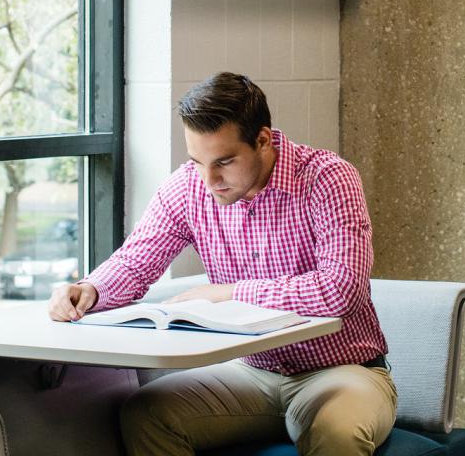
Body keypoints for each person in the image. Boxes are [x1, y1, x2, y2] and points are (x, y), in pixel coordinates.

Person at [47, 72, 396, 455]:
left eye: (224, 162)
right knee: (146, 413)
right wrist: (90, 289)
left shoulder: (327, 178)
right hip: (251, 373)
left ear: (262, 140)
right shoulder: (188, 187)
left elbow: (339, 291)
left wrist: (230, 294)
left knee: (337, 430)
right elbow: (135, 261)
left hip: (344, 371)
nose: (210, 180)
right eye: (197, 161)